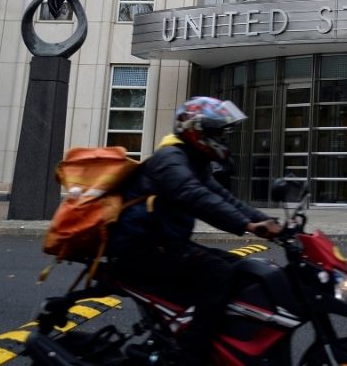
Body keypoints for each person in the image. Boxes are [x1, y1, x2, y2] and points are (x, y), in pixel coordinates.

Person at [108, 97, 282, 366]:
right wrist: (247, 226)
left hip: (166, 244)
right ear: (195, 130)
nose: (222, 138)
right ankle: (191, 355)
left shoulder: (192, 160)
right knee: (219, 274)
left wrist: (268, 222)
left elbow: (223, 197)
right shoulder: (170, 159)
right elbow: (196, 197)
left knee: (241, 268)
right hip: (140, 249)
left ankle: (209, 334)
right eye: (216, 132)